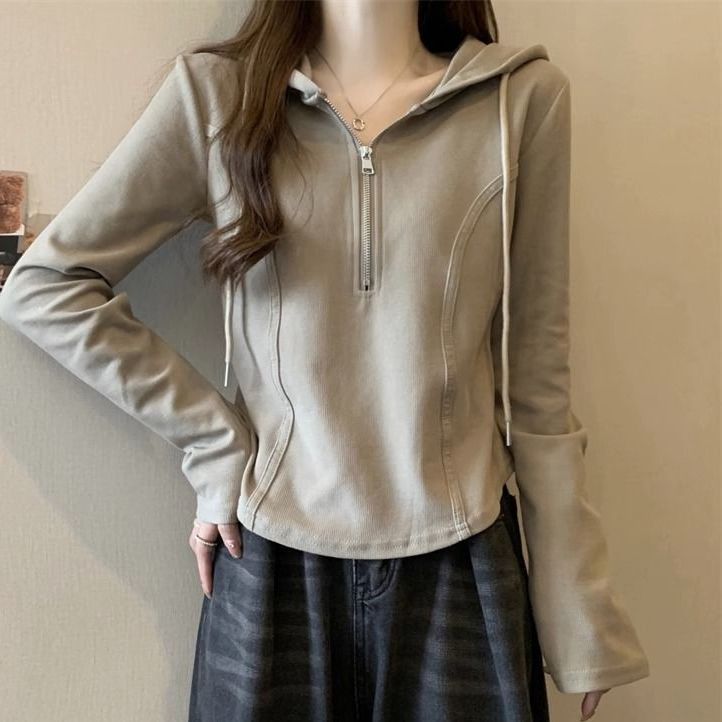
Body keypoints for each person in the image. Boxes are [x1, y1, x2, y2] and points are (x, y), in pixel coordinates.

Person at [0, 1, 651, 720]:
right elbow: (46, 287)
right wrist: (214, 443)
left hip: (460, 568)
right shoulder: (217, 97)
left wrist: (578, 612)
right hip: (269, 561)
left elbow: (538, 383)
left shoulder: (519, 101)